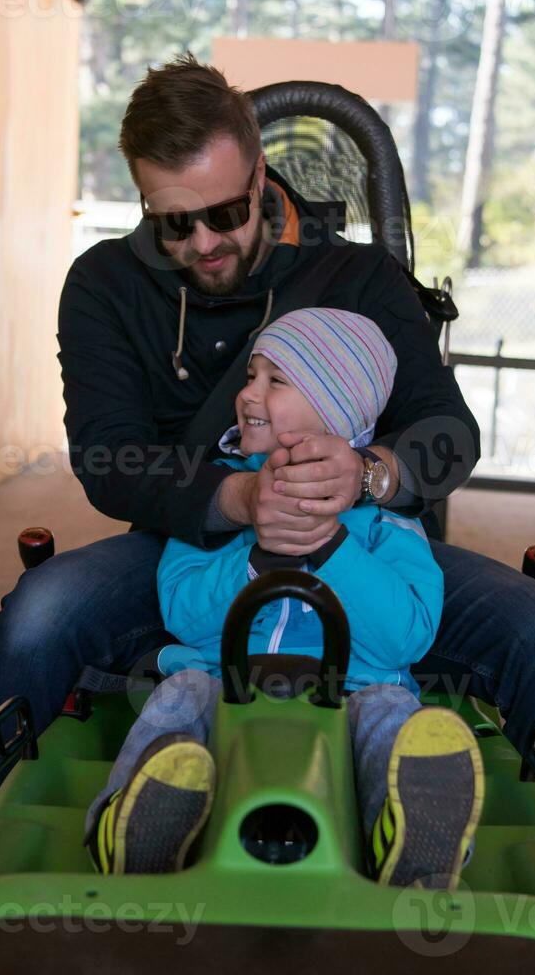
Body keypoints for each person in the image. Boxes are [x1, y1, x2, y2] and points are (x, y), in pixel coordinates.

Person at [0, 53, 535, 975]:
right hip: (195, 542)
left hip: (363, 540)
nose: (205, 242)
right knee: (40, 612)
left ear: (262, 175)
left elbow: (447, 431)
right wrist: (237, 499)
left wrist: (366, 474)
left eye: (226, 212)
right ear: (141, 199)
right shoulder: (104, 286)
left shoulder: (357, 276)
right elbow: (109, 457)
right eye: (175, 223)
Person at [84, 308, 484, 889]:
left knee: (391, 712)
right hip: (226, 679)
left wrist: (332, 548)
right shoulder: (219, 494)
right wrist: (259, 558)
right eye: (252, 375)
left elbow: (409, 633)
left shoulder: (383, 520)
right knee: (181, 695)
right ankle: (131, 821)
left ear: (337, 411)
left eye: (276, 381)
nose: (247, 394)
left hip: (351, 689)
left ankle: (412, 833)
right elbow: (183, 610)